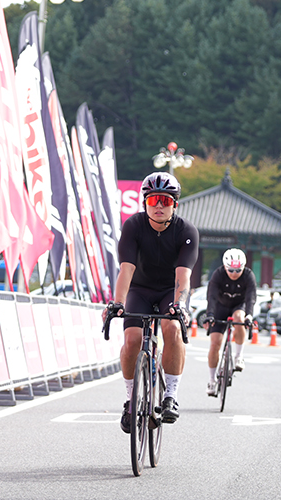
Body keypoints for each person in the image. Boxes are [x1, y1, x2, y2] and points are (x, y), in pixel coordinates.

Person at [104, 172, 199, 433]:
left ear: (174, 204)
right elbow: (126, 270)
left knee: (172, 328)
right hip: (140, 289)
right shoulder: (133, 226)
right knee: (132, 338)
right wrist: (118, 303)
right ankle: (130, 399)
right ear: (144, 202)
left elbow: (183, 276)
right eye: (153, 199)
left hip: (170, 290)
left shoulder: (186, 231)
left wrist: (180, 304)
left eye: (165, 201)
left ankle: (170, 396)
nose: (158, 205)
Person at [204, 248, 257, 396]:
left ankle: (239, 356)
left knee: (239, 318)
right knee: (215, 343)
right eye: (231, 270)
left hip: (238, 305)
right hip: (220, 306)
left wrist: (249, 316)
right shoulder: (218, 274)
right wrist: (210, 315)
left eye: (238, 270)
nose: (234, 274)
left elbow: (251, 297)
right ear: (225, 267)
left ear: (243, 267)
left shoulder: (248, 275)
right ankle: (212, 380)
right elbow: (212, 297)